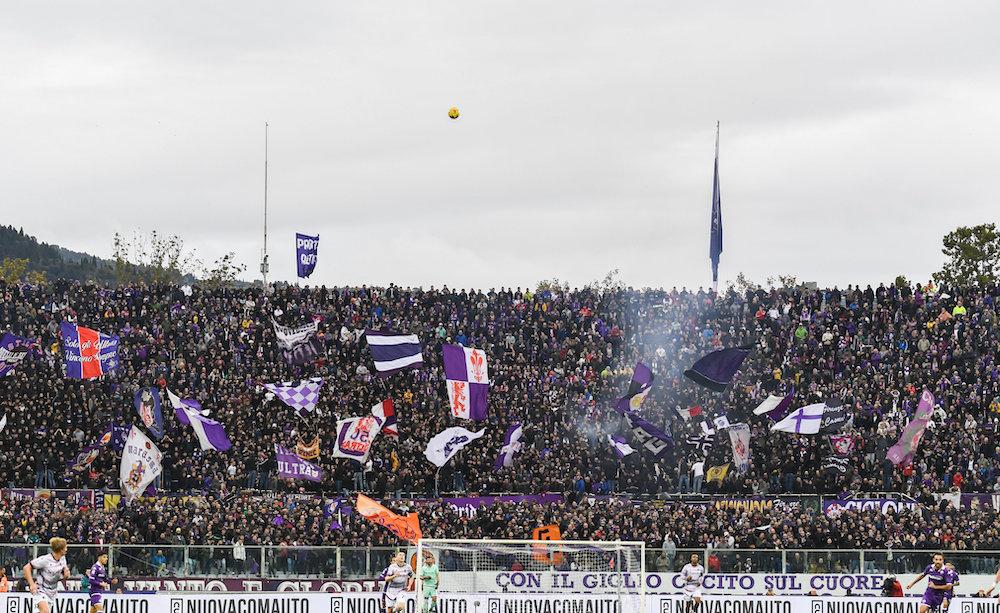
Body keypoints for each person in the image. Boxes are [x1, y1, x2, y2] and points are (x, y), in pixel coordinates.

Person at [23, 537, 70, 613]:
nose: (66, 549)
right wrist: (31, 584)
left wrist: (66, 575)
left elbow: (64, 575)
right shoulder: (45, 560)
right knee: (45, 611)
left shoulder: (63, 558)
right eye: (65, 547)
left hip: (52, 592)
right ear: (61, 549)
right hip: (40, 590)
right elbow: (26, 568)